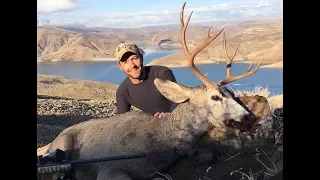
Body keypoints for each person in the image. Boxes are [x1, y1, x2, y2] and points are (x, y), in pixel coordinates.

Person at [114, 41, 179, 118]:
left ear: (141, 58)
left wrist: (169, 116)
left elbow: (178, 100)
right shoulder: (123, 92)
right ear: (120, 66)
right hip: (152, 125)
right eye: (125, 62)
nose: (132, 65)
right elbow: (122, 121)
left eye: (134, 58)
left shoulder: (162, 74)